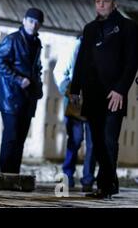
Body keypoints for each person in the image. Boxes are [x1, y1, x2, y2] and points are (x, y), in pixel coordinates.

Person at [71, 0, 138, 199]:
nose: (100, 5)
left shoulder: (129, 28)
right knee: (97, 141)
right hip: (92, 93)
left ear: (114, 4)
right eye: (98, 2)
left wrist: (120, 89)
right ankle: (110, 182)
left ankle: (105, 185)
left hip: (114, 94)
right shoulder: (89, 29)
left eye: (105, 2)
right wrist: (75, 88)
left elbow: (131, 62)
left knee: (109, 140)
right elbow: (81, 60)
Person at [0, 8, 44, 174]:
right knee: (11, 137)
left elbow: (37, 68)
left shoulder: (37, 43)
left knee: (21, 138)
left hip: (28, 97)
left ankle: (13, 175)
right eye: (31, 20)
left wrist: (39, 85)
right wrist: (18, 79)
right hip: (11, 96)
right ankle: (4, 175)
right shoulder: (12, 39)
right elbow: (0, 63)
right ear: (24, 21)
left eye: (37, 22)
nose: (33, 24)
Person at [53, 36, 96, 191]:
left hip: (93, 102)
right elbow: (60, 71)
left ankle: (88, 179)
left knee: (92, 144)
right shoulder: (72, 48)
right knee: (75, 140)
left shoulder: (99, 48)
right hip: (74, 101)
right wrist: (68, 91)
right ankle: (68, 174)